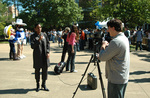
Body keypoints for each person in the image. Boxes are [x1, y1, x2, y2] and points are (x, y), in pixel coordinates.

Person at [97, 19, 130, 98]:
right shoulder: (124, 38)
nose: (107, 30)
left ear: (113, 28)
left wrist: (103, 46)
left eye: (108, 28)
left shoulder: (116, 41)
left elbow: (102, 57)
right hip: (121, 76)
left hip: (116, 78)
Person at [30, 23, 50, 92]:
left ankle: (43, 84)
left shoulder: (44, 35)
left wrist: (48, 52)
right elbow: (32, 46)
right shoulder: (33, 36)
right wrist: (38, 40)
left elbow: (48, 44)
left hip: (44, 56)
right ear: (35, 29)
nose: (39, 29)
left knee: (45, 71)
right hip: (37, 56)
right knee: (37, 71)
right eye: (38, 28)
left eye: (40, 27)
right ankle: (38, 85)